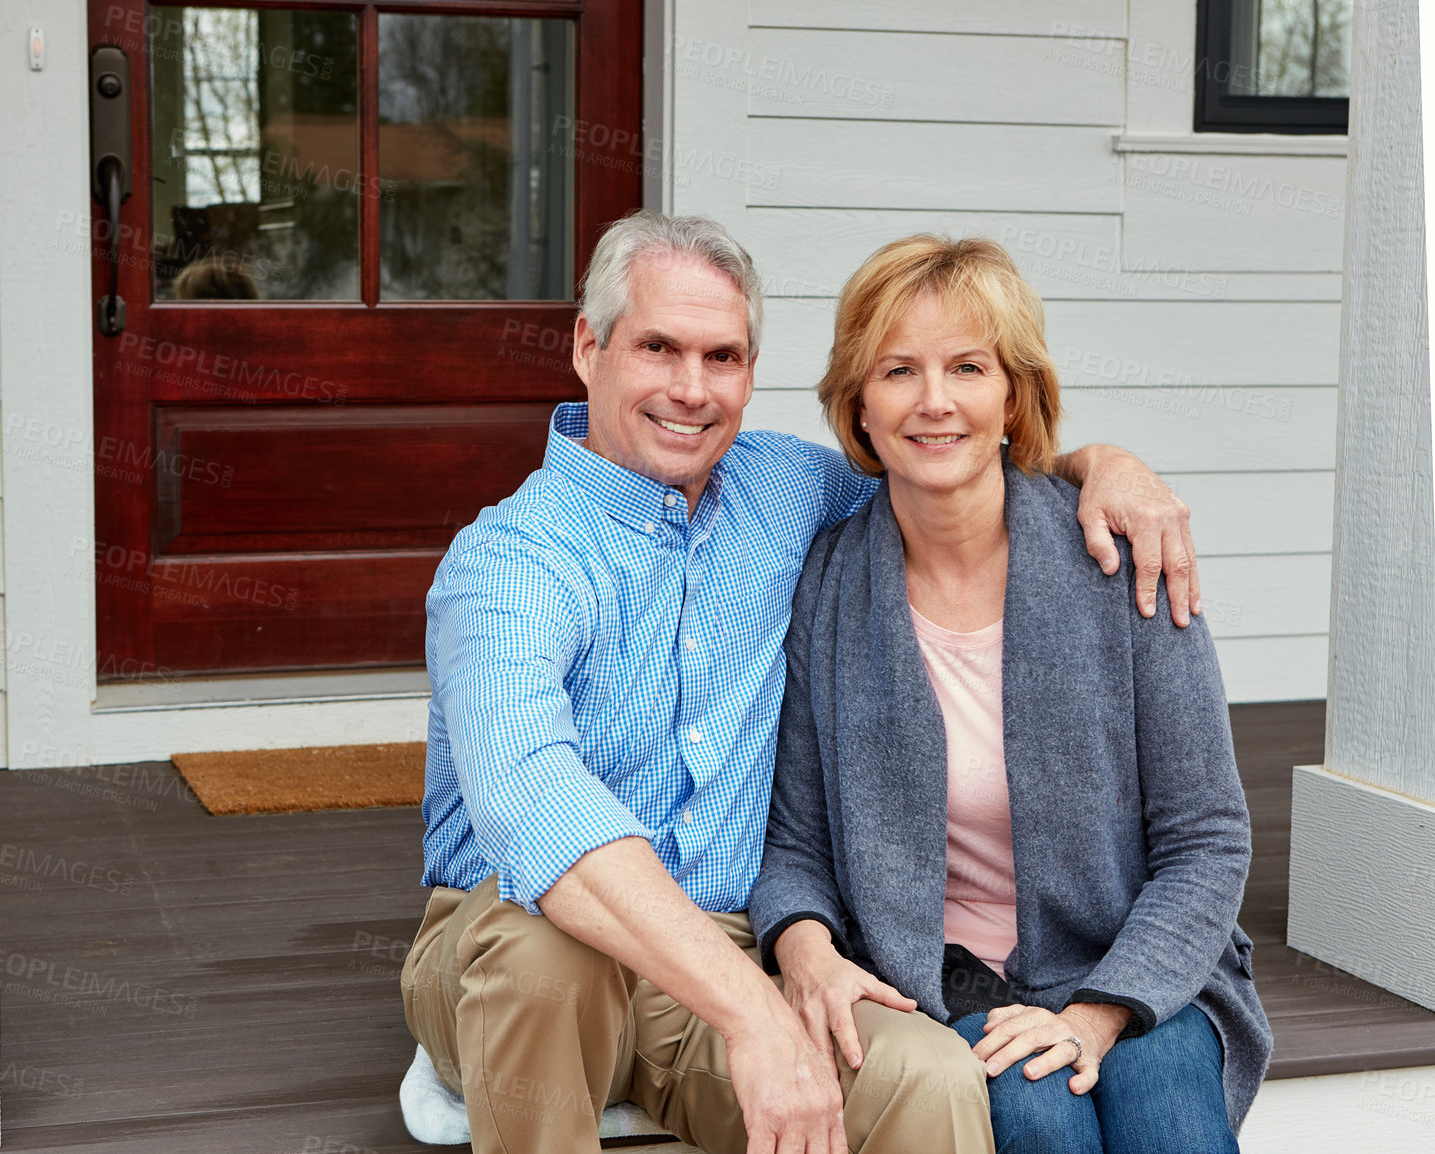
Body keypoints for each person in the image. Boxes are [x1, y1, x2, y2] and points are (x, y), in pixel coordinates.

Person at [401, 210, 1205, 1154]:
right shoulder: (507, 562)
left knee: (934, 1074)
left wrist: (1104, 469)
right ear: (589, 346)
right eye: (659, 347)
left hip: (729, 949)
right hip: (513, 950)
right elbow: (541, 807)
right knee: (548, 954)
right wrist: (755, 1014)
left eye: (723, 357)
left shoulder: (784, 489)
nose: (691, 390)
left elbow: (945, 468)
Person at [748, 235, 1269, 1154]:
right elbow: (794, 842)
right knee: (1034, 1109)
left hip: (1130, 961)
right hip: (935, 981)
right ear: (859, 406)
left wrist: (1099, 1014)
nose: (935, 400)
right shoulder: (824, 585)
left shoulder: (1120, 557)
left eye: (968, 367)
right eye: (898, 370)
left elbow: (1207, 839)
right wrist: (804, 949)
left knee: (1162, 1098)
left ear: (1012, 396)